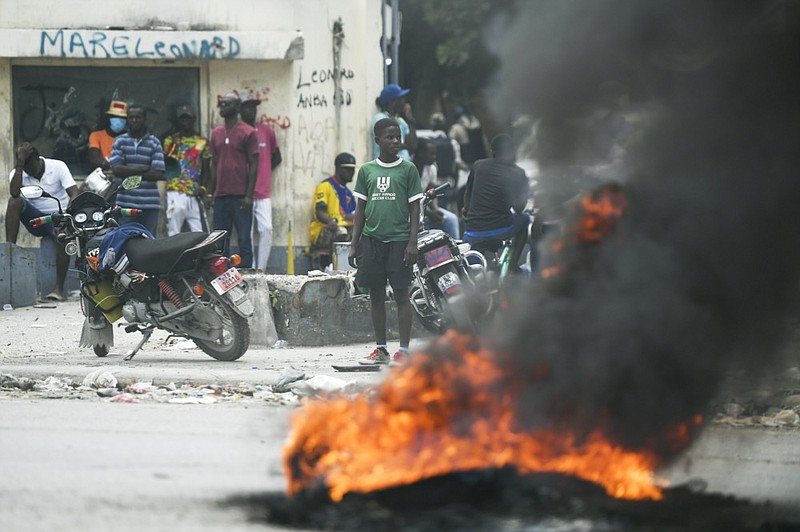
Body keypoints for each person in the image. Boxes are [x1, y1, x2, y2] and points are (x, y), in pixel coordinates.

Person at [349, 117, 423, 366]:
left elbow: (415, 208)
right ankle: (381, 349)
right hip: (371, 241)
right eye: (390, 137)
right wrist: (354, 243)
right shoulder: (367, 170)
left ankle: (404, 350)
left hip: (400, 241)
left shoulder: (408, 169)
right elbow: (360, 208)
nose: (395, 141)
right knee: (376, 295)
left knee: (402, 295)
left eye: (398, 137)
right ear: (378, 140)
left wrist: (412, 243)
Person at [6, 143, 78, 302]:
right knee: (14, 202)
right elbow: (14, 193)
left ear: (38, 159)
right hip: (37, 220)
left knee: (63, 236)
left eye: (29, 165)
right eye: (25, 167)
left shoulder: (58, 166)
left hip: (59, 217)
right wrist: (20, 165)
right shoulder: (18, 172)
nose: (28, 171)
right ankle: (9, 249)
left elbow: (74, 193)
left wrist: (66, 218)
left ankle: (58, 289)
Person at [462, 134, 530, 274]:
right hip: (501, 228)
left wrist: (466, 210)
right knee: (525, 219)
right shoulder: (519, 173)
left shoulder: (478, 165)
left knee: (471, 270)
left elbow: (468, 194)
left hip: (472, 230)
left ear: (493, 152)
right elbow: (519, 209)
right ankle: (512, 265)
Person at [206, 91, 259, 268]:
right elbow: (213, 163)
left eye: (226, 104)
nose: (222, 107)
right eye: (221, 103)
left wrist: (249, 195)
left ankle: (247, 275)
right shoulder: (216, 133)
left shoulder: (248, 132)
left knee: (244, 238)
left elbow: (254, 164)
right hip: (221, 196)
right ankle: (222, 273)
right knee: (220, 239)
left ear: (237, 106)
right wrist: (210, 192)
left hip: (240, 196)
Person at [239, 91, 282, 271]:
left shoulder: (267, 131)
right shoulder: (237, 132)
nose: (252, 110)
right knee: (246, 234)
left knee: (266, 229)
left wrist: (262, 171)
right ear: (240, 109)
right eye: (248, 107)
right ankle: (249, 270)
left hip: (263, 193)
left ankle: (261, 270)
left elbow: (277, 157)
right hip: (242, 193)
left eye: (254, 107)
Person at [107, 104, 166, 235]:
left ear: (144, 118)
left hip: (150, 204)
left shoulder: (154, 142)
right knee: (126, 241)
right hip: (126, 204)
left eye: (138, 117)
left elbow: (157, 174)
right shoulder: (120, 141)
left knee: (149, 242)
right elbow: (116, 170)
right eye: (131, 117)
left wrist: (127, 170)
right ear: (127, 119)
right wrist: (143, 168)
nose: (134, 120)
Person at [162, 104, 209, 236]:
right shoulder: (170, 141)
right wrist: (174, 145)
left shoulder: (201, 142)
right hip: (174, 192)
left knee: (200, 234)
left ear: (193, 119)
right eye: (182, 119)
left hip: (194, 193)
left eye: (187, 118)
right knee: (173, 233)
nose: (185, 122)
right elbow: (164, 163)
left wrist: (204, 189)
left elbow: (207, 169)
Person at [309, 152, 357, 270]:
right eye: (348, 169)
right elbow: (320, 212)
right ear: (339, 168)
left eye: (353, 169)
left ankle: (352, 269)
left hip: (344, 227)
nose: (352, 172)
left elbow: (351, 216)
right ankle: (333, 267)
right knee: (341, 232)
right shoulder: (325, 186)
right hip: (325, 229)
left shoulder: (348, 193)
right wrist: (332, 222)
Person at [412, 139, 460, 239]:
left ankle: (455, 251)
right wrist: (429, 214)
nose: (434, 157)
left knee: (451, 219)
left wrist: (435, 210)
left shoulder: (431, 168)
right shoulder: (407, 168)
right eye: (431, 154)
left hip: (423, 207)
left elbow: (431, 192)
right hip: (409, 210)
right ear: (421, 153)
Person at [371, 83, 417, 161]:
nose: (404, 102)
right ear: (393, 102)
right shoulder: (380, 118)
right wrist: (406, 145)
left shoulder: (401, 121)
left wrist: (410, 120)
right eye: (401, 99)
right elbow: (389, 146)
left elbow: (413, 145)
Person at [88, 100, 128, 171]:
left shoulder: (129, 138)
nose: (118, 120)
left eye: (122, 118)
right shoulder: (96, 135)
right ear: (108, 118)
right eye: (115, 117)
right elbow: (94, 160)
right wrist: (106, 164)